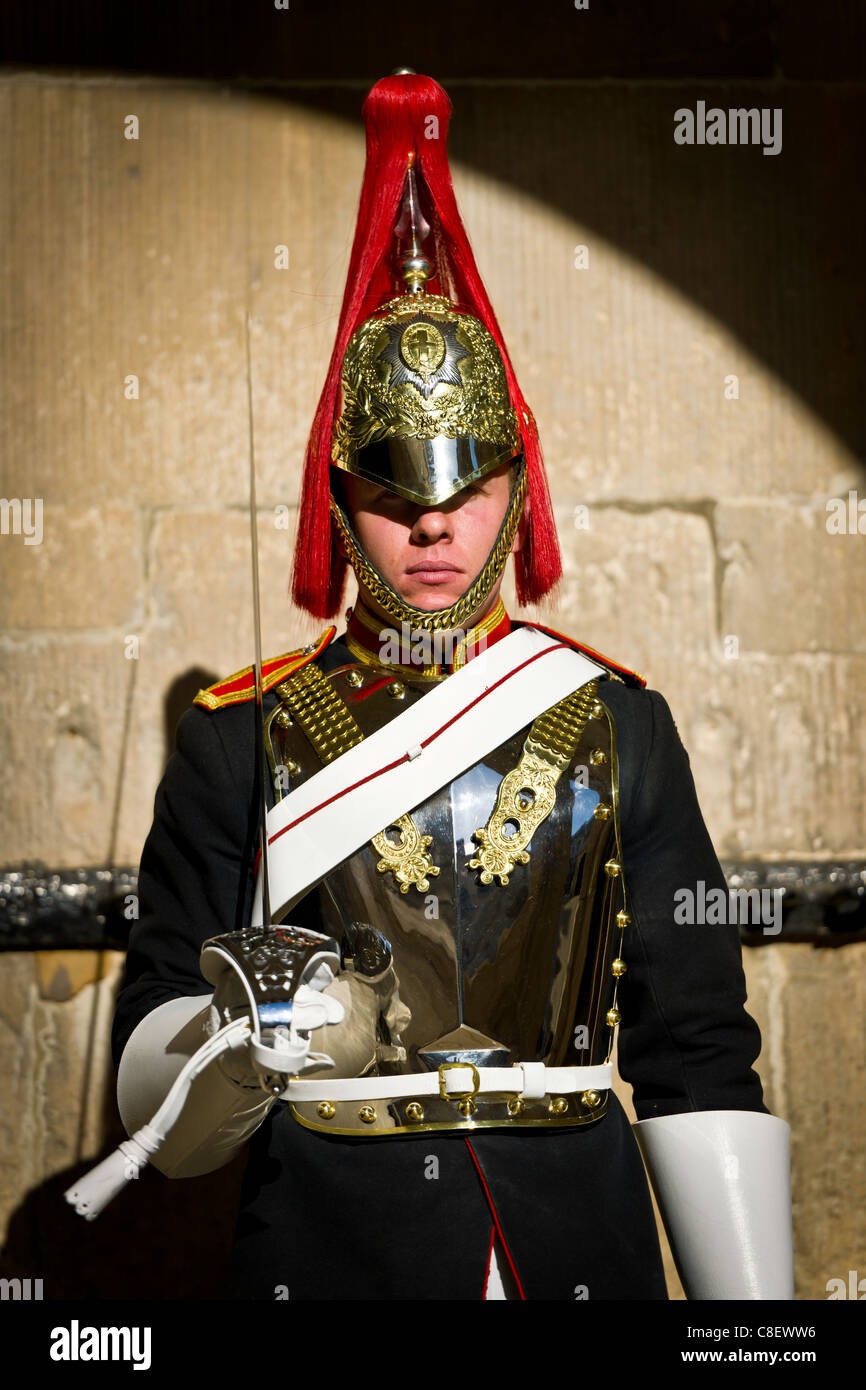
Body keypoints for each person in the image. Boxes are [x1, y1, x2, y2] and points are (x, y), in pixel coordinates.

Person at [105, 72, 794, 1301]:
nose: (432, 529)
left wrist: (753, 1330)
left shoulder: (613, 720)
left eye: (464, 491)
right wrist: (233, 1038)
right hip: (332, 1252)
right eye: (392, 493)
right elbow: (152, 1097)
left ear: (513, 493)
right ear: (339, 502)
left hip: (575, 1247)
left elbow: (697, 1054)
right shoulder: (237, 743)